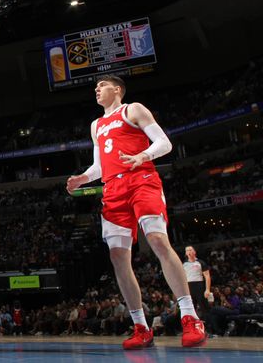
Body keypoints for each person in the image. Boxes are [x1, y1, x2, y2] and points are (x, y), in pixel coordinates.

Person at [66, 75, 207, 349]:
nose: (96, 90)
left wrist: (142, 156)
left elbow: (164, 143)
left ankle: (191, 317)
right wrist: (83, 178)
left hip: (141, 179)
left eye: (101, 86)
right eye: (95, 87)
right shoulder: (96, 125)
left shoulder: (133, 109)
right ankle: (140, 326)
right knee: (118, 257)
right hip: (113, 190)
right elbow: (99, 166)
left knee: (157, 240)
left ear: (117, 89)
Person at [183, 245, 212, 319]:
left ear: (194, 252)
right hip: (189, 286)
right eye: (187, 250)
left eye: (190, 250)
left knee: (204, 307)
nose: (189, 252)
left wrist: (207, 289)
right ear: (186, 253)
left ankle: (210, 327)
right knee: (191, 307)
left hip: (199, 285)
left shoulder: (200, 262)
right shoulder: (184, 264)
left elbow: (207, 276)